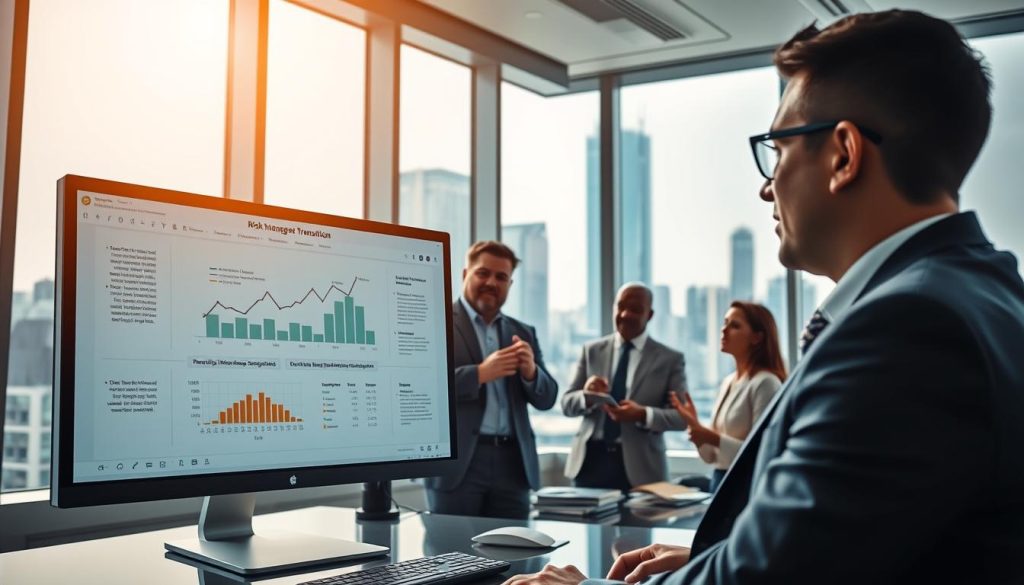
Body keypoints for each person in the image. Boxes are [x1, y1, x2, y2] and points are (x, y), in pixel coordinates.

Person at [501, 9, 1024, 584]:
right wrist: (716, 558)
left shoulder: (908, 327)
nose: (765, 185)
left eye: (776, 150)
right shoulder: (985, 292)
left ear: (844, 155)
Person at [425, 241, 557, 519]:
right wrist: (480, 373)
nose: (491, 282)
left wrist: (531, 372)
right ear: (465, 275)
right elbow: (422, 387)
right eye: (483, 273)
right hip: (459, 465)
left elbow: (548, 398)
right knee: (450, 553)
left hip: (514, 464)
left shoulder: (523, 332)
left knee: (517, 558)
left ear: (510, 284)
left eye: (501, 277)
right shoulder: (435, 322)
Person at [561, 283, 687, 491]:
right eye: (620, 306)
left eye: (636, 309)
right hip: (589, 462)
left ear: (650, 315)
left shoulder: (670, 359)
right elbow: (566, 404)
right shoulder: (591, 350)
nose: (625, 314)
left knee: (638, 525)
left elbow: (682, 418)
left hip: (642, 470)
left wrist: (642, 415)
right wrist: (587, 396)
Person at [670, 301, 786, 493]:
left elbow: (761, 452)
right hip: (720, 483)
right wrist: (695, 425)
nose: (724, 330)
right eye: (725, 323)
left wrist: (711, 437)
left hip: (747, 487)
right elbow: (711, 458)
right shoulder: (728, 382)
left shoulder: (766, 383)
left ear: (757, 337)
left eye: (735, 325)